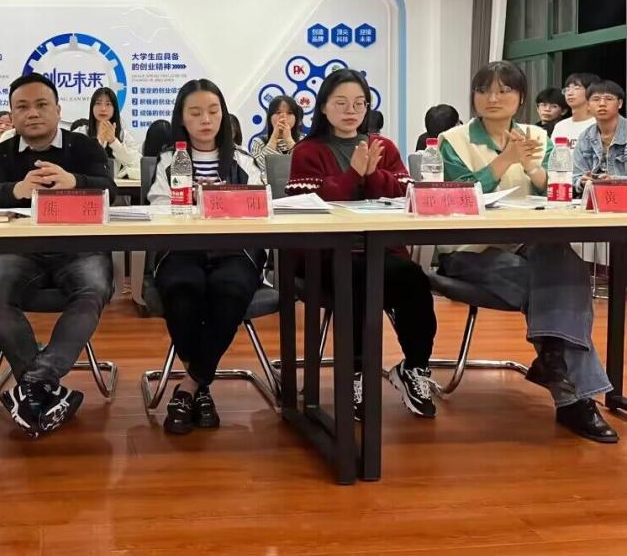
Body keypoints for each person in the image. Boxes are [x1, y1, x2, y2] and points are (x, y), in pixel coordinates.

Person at [438, 60, 617, 442]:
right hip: (470, 250)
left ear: (520, 98)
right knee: (562, 286)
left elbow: (556, 188)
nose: (493, 97)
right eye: (484, 90)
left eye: (504, 90)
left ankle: (553, 363)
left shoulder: (538, 135)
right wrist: (505, 160)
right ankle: (574, 398)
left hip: (530, 242)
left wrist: (532, 166)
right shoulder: (453, 139)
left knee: (567, 266)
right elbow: (456, 195)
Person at [287, 69, 438, 420]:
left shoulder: (383, 147)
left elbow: (405, 196)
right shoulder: (307, 151)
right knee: (355, 278)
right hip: (322, 257)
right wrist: (353, 173)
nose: (351, 110)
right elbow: (306, 205)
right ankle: (355, 373)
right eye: (341, 102)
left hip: (379, 249)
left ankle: (414, 367)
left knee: (414, 279)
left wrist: (373, 174)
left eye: (359, 103)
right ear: (323, 107)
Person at [0, 73, 116, 438]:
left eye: (41, 105)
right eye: (22, 107)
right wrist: (17, 189)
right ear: (12, 114)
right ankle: (43, 388)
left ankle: (34, 383)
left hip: (80, 249)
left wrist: (75, 183)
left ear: (58, 109)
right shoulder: (0, 153)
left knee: (92, 289)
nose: (33, 113)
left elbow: (111, 190)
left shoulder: (85, 147)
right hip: (21, 251)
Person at [147, 79, 265, 434]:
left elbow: (260, 205)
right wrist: (192, 201)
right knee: (183, 290)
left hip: (235, 251)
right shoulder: (168, 160)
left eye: (213, 111)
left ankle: (188, 387)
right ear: (182, 118)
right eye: (195, 112)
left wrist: (222, 199)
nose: (206, 120)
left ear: (224, 116)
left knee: (230, 290)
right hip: (181, 249)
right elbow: (157, 206)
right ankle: (200, 388)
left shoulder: (243, 160)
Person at [74, 86, 140, 179]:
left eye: (108, 104)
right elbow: (74, 164)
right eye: (98, 103)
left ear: (114, 109)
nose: (103, 108)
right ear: (92, 107)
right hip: (87, 184)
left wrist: (114, 142)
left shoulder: (123, 135)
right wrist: (99, 141)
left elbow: (138, 163)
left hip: (116, 185)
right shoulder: (81, 133)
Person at [573, 79, 626, 192]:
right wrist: (582, 181)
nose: (602, 104)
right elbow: (575, 176)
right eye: (596, 99)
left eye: (609, 99)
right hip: (595, 197)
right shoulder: (585, 137)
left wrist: (615, 181)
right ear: (588, 105)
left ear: (620, 103)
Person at [250, 95, 303, 170]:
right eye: (278, 112)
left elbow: (306, 166)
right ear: (270, 117)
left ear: (296, 118)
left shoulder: (305, 140)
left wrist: (288, 139)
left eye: (289, 113)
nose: (283, 117)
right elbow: (259, 168)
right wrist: (274, 137)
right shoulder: (259, 142)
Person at [552, 72, 600, 149]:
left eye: (576, 88)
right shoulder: (560, 126)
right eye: (567, 89)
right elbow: (554, 154)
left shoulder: (601, 125)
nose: (569, 93)